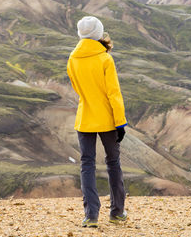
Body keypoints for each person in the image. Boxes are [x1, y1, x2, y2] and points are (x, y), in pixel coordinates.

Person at [67, 16, 128, 228]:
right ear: (98, 33)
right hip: (108, 119)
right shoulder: (105, 59)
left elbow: (77, 88)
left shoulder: (73, 59)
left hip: (84, 118)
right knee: (113, 163)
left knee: (87, 165)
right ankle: (117, 212)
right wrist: (120, 122)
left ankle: (91, 215)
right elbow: (114, 94)